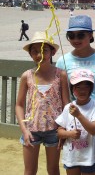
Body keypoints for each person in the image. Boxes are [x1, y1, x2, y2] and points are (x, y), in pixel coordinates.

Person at [56, 15, 95, 175]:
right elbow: (64, 96)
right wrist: (64, 125)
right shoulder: (62, 61)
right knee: (76, 163)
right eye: (71, 35)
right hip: (74, 122)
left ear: (91, 35)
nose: (76, 39)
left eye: (81, 34)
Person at [15, 31, 70, 175]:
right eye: (35, 51)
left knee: (53, 170)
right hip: (31, 129)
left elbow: (66, 103)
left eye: (44, 50)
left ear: (52, 52)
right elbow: (19, 104)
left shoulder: (61, 74)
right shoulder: (27, 76)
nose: (39, 55)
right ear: (30, 54)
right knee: (30, 170)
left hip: (54, 129)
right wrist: (24, 130)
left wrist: (63, 128)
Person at [56, 69, 95, 175]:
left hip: (89, 157)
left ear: (91, 88)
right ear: (72, 89)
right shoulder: (68, 107)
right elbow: (59, 131)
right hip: (71, 157)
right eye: (78, 87)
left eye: (86, 86)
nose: (82, 91)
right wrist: (69, 134)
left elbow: (93, 130)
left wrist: (79, 115)